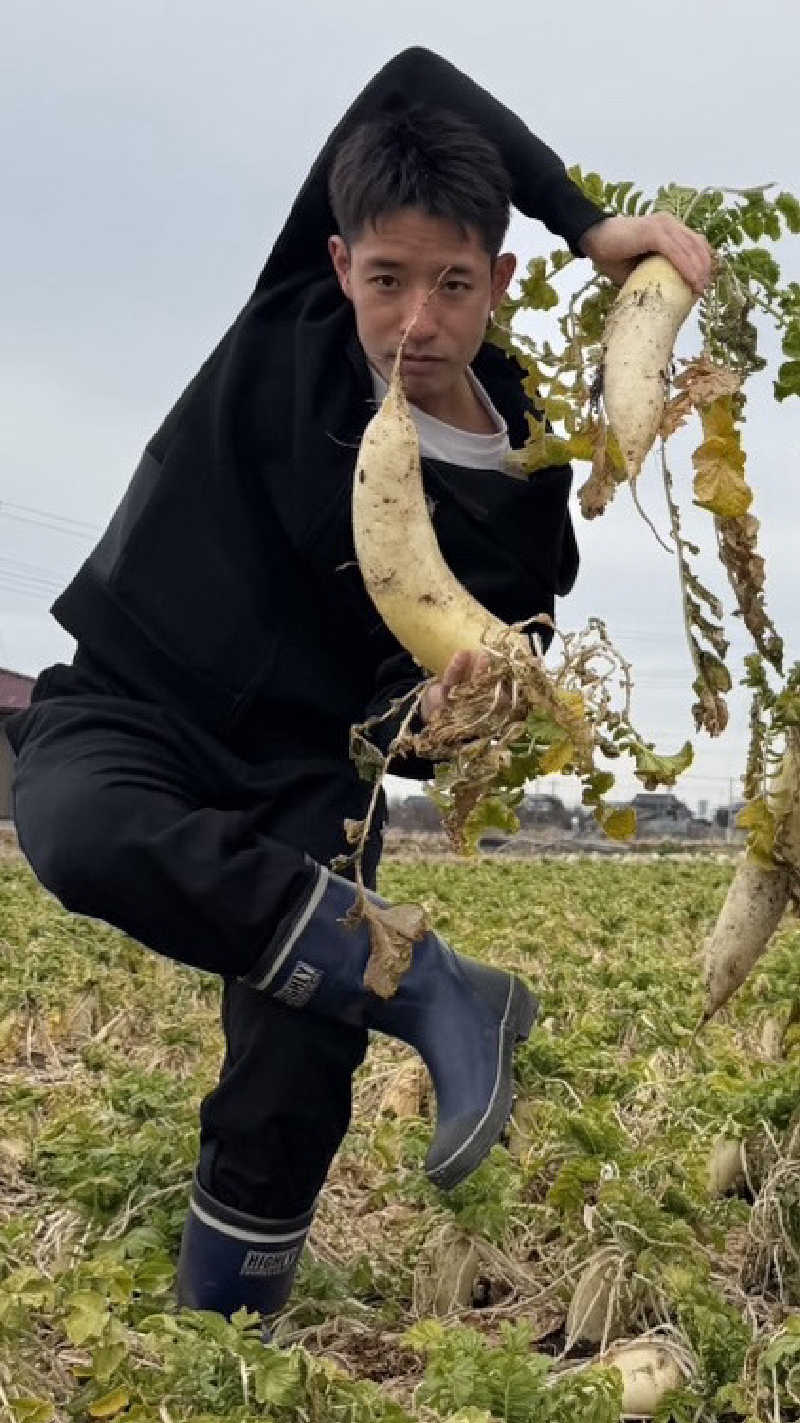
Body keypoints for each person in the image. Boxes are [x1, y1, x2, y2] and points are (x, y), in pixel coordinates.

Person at [5, 47, 711, 1328]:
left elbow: (463, 689)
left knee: (295, 1062)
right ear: (339, 267)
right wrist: (589, 220)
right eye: (385, 281)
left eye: (452, 285)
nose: (416, 322)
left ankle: (226, 1340)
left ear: (495, 286)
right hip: (133, 695)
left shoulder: (521, 481)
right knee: (77, 829)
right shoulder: (294, 320)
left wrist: (451, 727)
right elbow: (410, 77)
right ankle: (432, 982)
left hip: (311, 774)